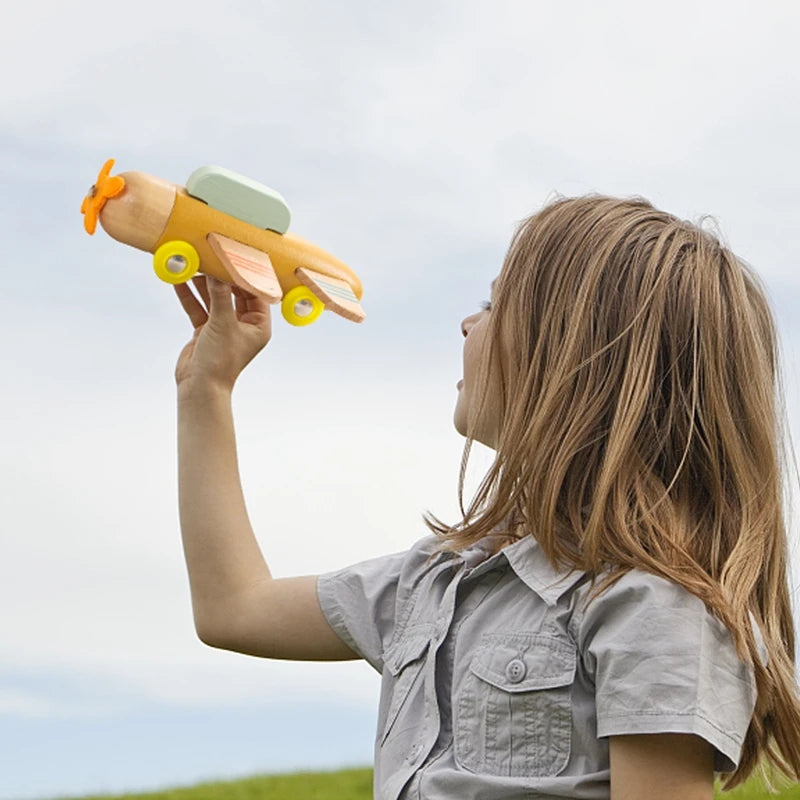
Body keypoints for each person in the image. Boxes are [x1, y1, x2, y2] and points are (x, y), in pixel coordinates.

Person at [172, 194, 800, 800]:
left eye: (495, 303)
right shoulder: (432, 583)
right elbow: (234, 608)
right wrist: (207, 390)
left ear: (571, 353)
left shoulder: (654, 610)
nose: (467, 322)